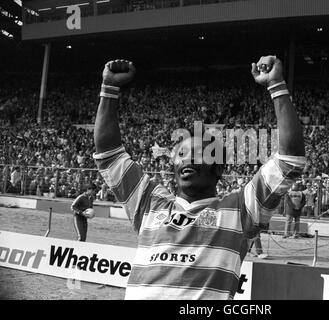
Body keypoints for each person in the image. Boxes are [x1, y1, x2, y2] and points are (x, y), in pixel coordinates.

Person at [93, 57, 306, 299]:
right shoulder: (148, 202)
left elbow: (290, 159)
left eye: (198, 154)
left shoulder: (241, 208)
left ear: (218, 170)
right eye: (181, 154)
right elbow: (109, 156)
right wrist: (108, 89)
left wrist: (276, 85)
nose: (187, 159)